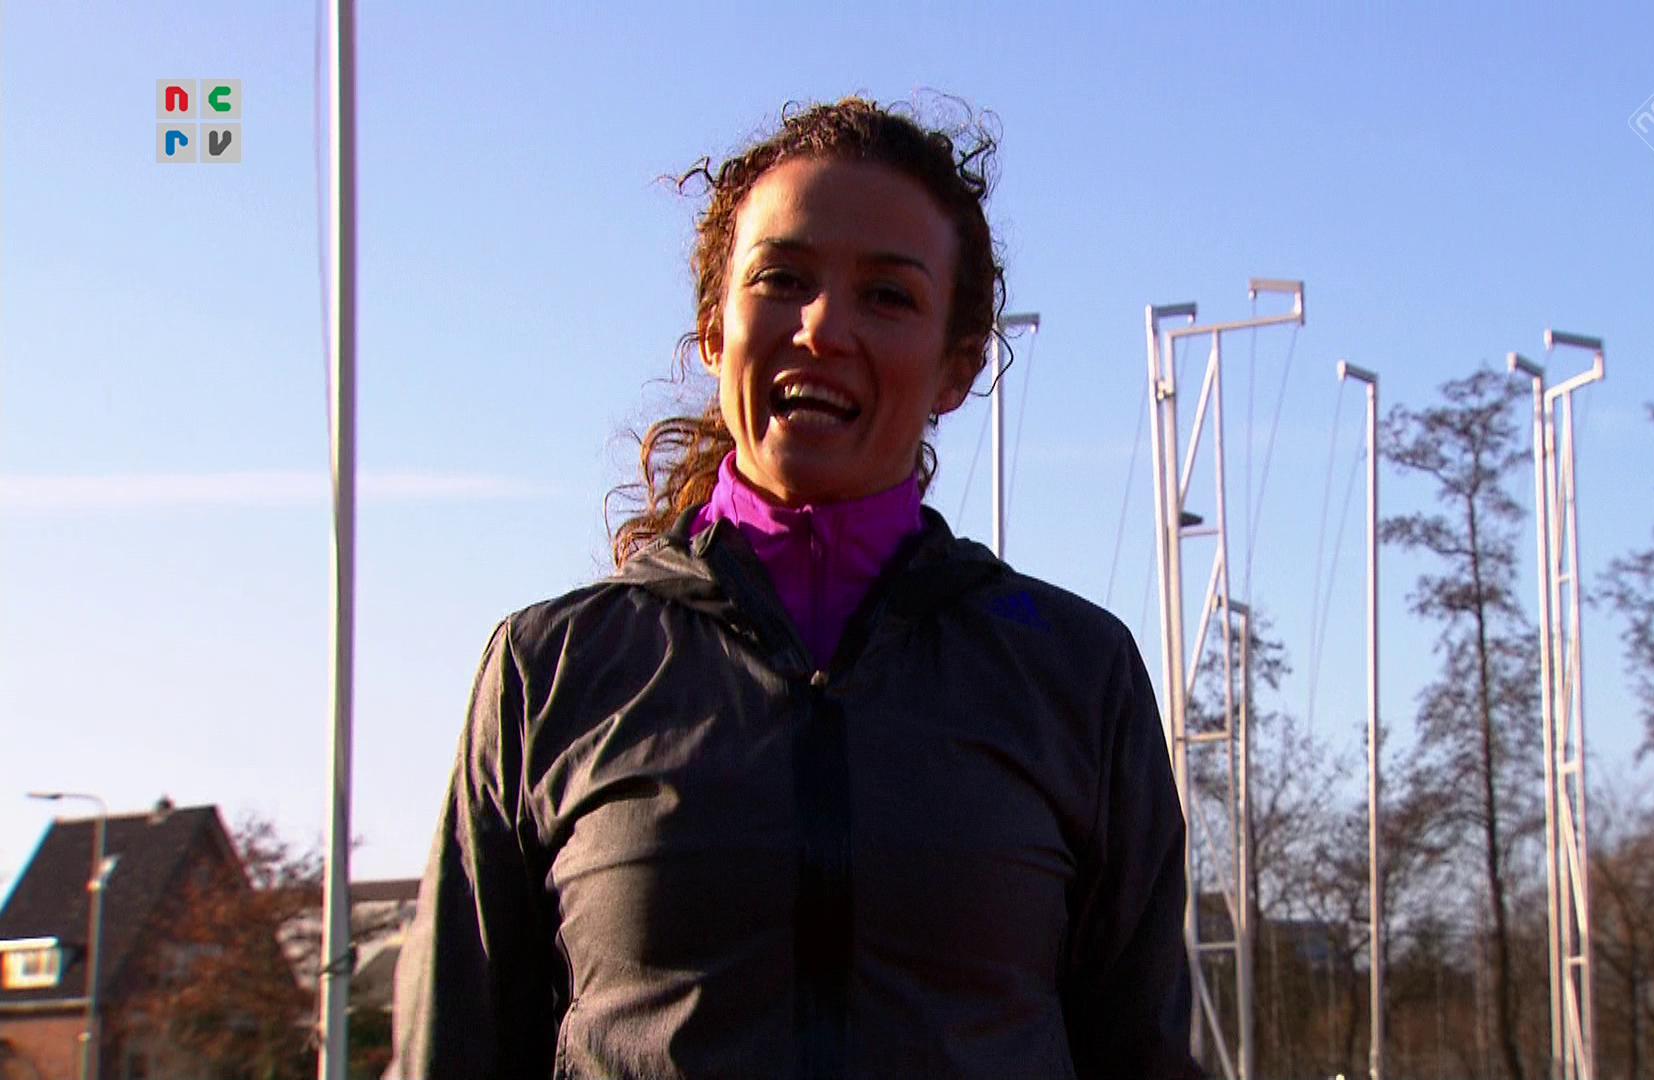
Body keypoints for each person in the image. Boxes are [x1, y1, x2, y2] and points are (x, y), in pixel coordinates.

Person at [391, 97, 1201, 1080]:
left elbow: (1144, 1054)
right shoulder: (549, 670)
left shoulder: (1075, 672)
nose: (821, 327)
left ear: (958, 368)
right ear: (713, 331)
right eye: (781, 279)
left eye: (888, 296)